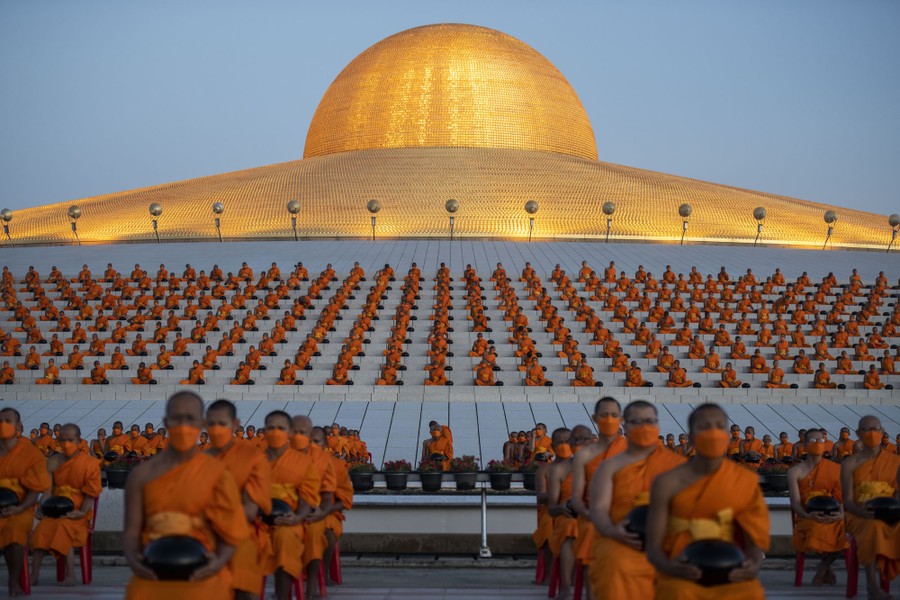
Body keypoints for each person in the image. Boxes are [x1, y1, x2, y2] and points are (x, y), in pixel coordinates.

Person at [123, 391, 248, 598]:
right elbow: (131, 532)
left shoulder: (217, 473)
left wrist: (216, 564)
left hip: (203, 568)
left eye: (190, 419)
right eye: (177, 418)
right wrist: (134, 562)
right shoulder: (141, 475)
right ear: (165, 422)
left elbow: (232, 532)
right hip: (153, 569)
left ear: (202, 423)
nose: (183, 425)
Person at [647, 403, 770, 599]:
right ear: (691, 436)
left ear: (728, 435)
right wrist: (669, 567)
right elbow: (653, 545)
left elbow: (754, 541)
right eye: (704, 427)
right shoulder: (666, 482)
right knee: (676, 592)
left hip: (729, 568)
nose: (713, 433)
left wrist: (753, 565)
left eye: (719, 426)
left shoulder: (744, 480)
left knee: (751, 592)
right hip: (681, 568)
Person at [588, 401, 686, 597]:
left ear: (658, 424)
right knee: (614, 564)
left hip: (669, 540)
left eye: (650, 421)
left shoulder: (677, 465)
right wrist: (612, 531)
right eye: (637, 422)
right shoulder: (610, 467)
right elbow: (598, 508)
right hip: (622, 538)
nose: (644, 427)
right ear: (625, 425)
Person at [204, 399, 272, 600]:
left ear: (235, 424)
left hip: (242, 530)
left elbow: (250, 511)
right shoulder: (200, 460)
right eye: (211, 424)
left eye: (222, 424)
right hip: (202, 529)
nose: (216, 430)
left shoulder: (253, 459)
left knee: (241, 562)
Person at [31, 423, 102, 586]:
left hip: (78, 510)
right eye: (63, 440)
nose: (66, 444)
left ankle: (71, 574)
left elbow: (91, 494)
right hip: (54, 508)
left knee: (63, 526)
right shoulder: (53, 462)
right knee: (41, 530)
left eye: (71, 440)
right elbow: (48, 491)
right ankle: (34, 573)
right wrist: (41, 508)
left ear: (78, 441)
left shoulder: (89, 463)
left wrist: (82, 512)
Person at [570, 397, 628, 593]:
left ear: (621, 418)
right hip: (592, 518)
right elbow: (577, 497)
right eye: (604, 415)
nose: (609, 419)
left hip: (627, 518)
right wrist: (588, 514)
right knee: (590, 535)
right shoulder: (584, 455)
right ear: (595, 418)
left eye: (614, 415)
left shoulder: (633, 451)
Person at [262, 410, 321, 600]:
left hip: (291, 518)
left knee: (285, 537)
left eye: (281, 428)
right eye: (271, 428)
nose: (276, 432)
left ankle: (284, 595)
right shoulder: (255, 460)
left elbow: (307, 497)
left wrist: (298, 516)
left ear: (288, 433)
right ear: (264, 431)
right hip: (257, 519)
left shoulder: (303, 462)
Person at [840, 415, 900, 597]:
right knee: (874, 526)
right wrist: (861, 511)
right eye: (867, 429)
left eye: (876, 429)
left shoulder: (896, 461)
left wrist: (893, 510)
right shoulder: (849, 463)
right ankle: (872, 586)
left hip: (891, 512)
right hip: (859, 514)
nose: (872, 433)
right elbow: (848, 500)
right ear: (858, 433)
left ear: (882, 432)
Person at [0, 407, 51, 597]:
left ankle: (13, 580)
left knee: (14, 530)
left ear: (19, 426)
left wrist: (20, 507)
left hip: (20, 507)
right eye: (0, 421)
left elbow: (36, 487)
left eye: (8, 421)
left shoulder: (31, 454)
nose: (3, 425)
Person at [787, 428, 846, 586]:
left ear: (825, 444)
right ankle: (826, 568)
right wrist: (807, 516)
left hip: (833, 515)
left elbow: (841, 499)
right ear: (805, 445)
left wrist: (840, 514)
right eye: (812, 441)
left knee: (845, 530)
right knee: (816, 526)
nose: (817, 444)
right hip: (807, 517)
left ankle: (823, 567)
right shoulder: (795, 471)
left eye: (820, 441)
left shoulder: (836, 469)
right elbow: (796, 503)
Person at [547, 424, 593, 600]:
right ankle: (566, 587)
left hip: (594, 518)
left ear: (592, 442)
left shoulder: (602, 466)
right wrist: (563, 507)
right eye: (575, 440)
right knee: (571, 527)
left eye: (583, 439)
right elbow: (551, 509)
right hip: (567, 518)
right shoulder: (560, 470)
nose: (578, 443)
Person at [291, 416, 333, 600]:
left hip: (316, 511)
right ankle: (282, 588)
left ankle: (312, 584)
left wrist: (321, 511)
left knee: (316, 534)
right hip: (287, 511)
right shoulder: (284, 457)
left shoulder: (327, 462)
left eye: (317, 441)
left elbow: (330, 495)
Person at [534, 428, 569, 585]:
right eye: (559, 442)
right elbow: (541, 496)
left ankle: (571, 576)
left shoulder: (580, 467)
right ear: (552, 445)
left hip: (575, 510)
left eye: (567, 442)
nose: (563, 445)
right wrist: (557, 495)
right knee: (548, 525)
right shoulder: (544, 470)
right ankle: (549, 574)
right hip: (552, 510)